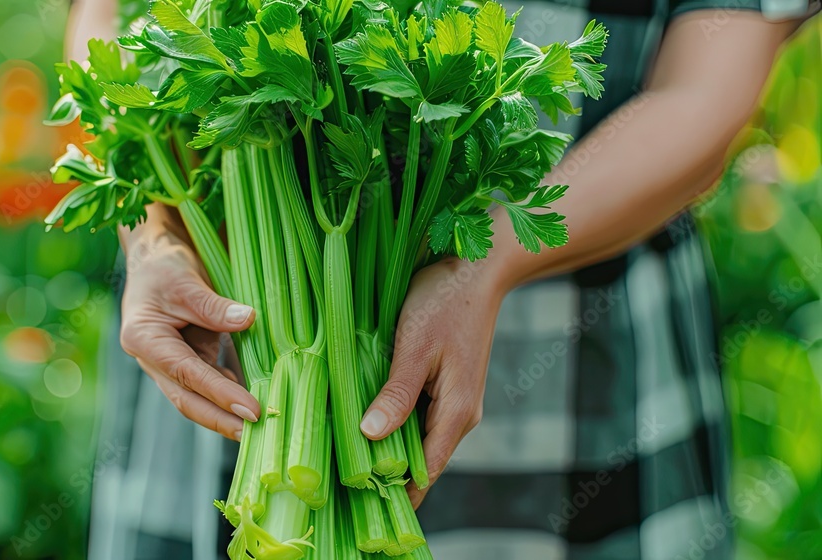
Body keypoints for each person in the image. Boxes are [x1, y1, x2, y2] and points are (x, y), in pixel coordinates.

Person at [66, 0, 818, 558]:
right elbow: (110, 27)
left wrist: (483, 261)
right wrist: (156, 234)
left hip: (578, 369)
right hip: (221, 348)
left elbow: (704, 88)